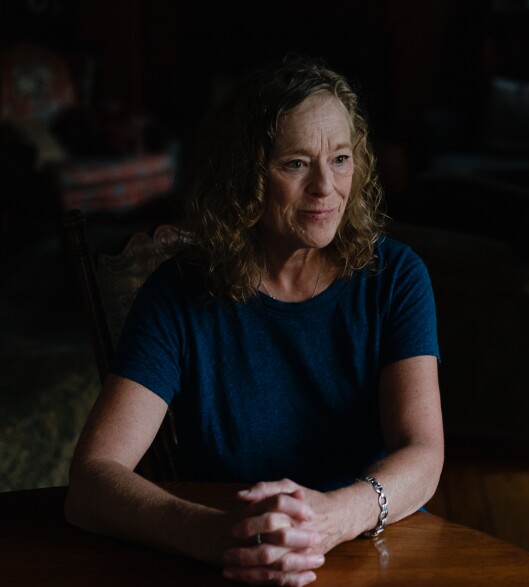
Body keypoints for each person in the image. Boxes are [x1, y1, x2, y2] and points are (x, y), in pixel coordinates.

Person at [64, 54, 444, 586]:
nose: (325, 187)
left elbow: (423, 455)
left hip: (369, 550)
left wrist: (334, 518)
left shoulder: (396, 277)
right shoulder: (179, 293)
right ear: (246, 176)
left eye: (339, 158)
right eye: (294, 163)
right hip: (229, 564)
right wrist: (215, 537)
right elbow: (90, 482)